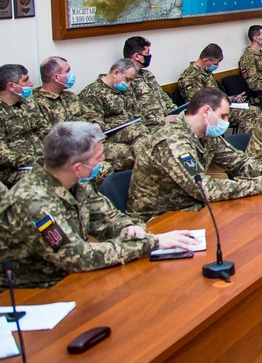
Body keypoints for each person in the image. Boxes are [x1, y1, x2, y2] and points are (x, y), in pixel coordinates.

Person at [0, 121, 198, 288]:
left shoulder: (75, 183)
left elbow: (109, 218)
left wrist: (129, 228)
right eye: (98, 157)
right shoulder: (34, 202)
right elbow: (76, 256)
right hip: (35, 293)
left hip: (73, 279)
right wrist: (150, 243)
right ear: (77, 168)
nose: (103, 160)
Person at [128, 87, 262, 220]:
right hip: (161, 220)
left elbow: (237, 161)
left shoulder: (206, 134)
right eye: (223, 116)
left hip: (192, 209)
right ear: (206, 111)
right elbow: (205, 188)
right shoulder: (172, 142)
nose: (226, 122)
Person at [31, 57, 113, 185]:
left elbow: (91, 115)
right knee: (103, 168)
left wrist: (96, 125)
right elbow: (47, 136)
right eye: (67, 71)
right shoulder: (36, 103)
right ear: (56, 77)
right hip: (68, 154)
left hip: (90, 145)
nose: (71, 74)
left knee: (126, 153)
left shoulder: (70, 96)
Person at [78, 59, 146, 170]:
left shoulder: (125, 90)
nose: (129, 84)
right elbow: (95, 125)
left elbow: (136, 112)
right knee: (130, 151)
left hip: (132, 131)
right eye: (127, 79)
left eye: (131, 81)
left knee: (148, 139)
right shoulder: (93, 93)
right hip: (108, 136)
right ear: (116, 73)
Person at [176, 43, 259, 132]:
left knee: (255, 110)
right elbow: (199, 102)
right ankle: (247, 139)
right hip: (208, 113)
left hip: (217, 107)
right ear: (206, 61)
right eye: (215, 64)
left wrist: (232, 98)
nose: (216, 66)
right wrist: (226, 102)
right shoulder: (189, 77)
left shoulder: (206, 72)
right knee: (250, 113)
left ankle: (251, 137)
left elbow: (215, 96)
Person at [0, 63, 52, 186]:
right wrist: (35, 161)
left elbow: (45, 130)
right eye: (25, 80)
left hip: (44, 159)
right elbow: (2, 154)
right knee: (45, 179)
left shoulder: (28, 102)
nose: (31, 84)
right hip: (15, 169)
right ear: (11, 86)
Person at [123, 36, 176, 126]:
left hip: (168, 119)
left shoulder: (147, 74)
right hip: (152, 126)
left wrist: (176, 112)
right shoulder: (126, 80)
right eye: (147, 53)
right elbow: (134, 114)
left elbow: (164, 97)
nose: (149, 56)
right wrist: (162, 120)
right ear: (136, 56)